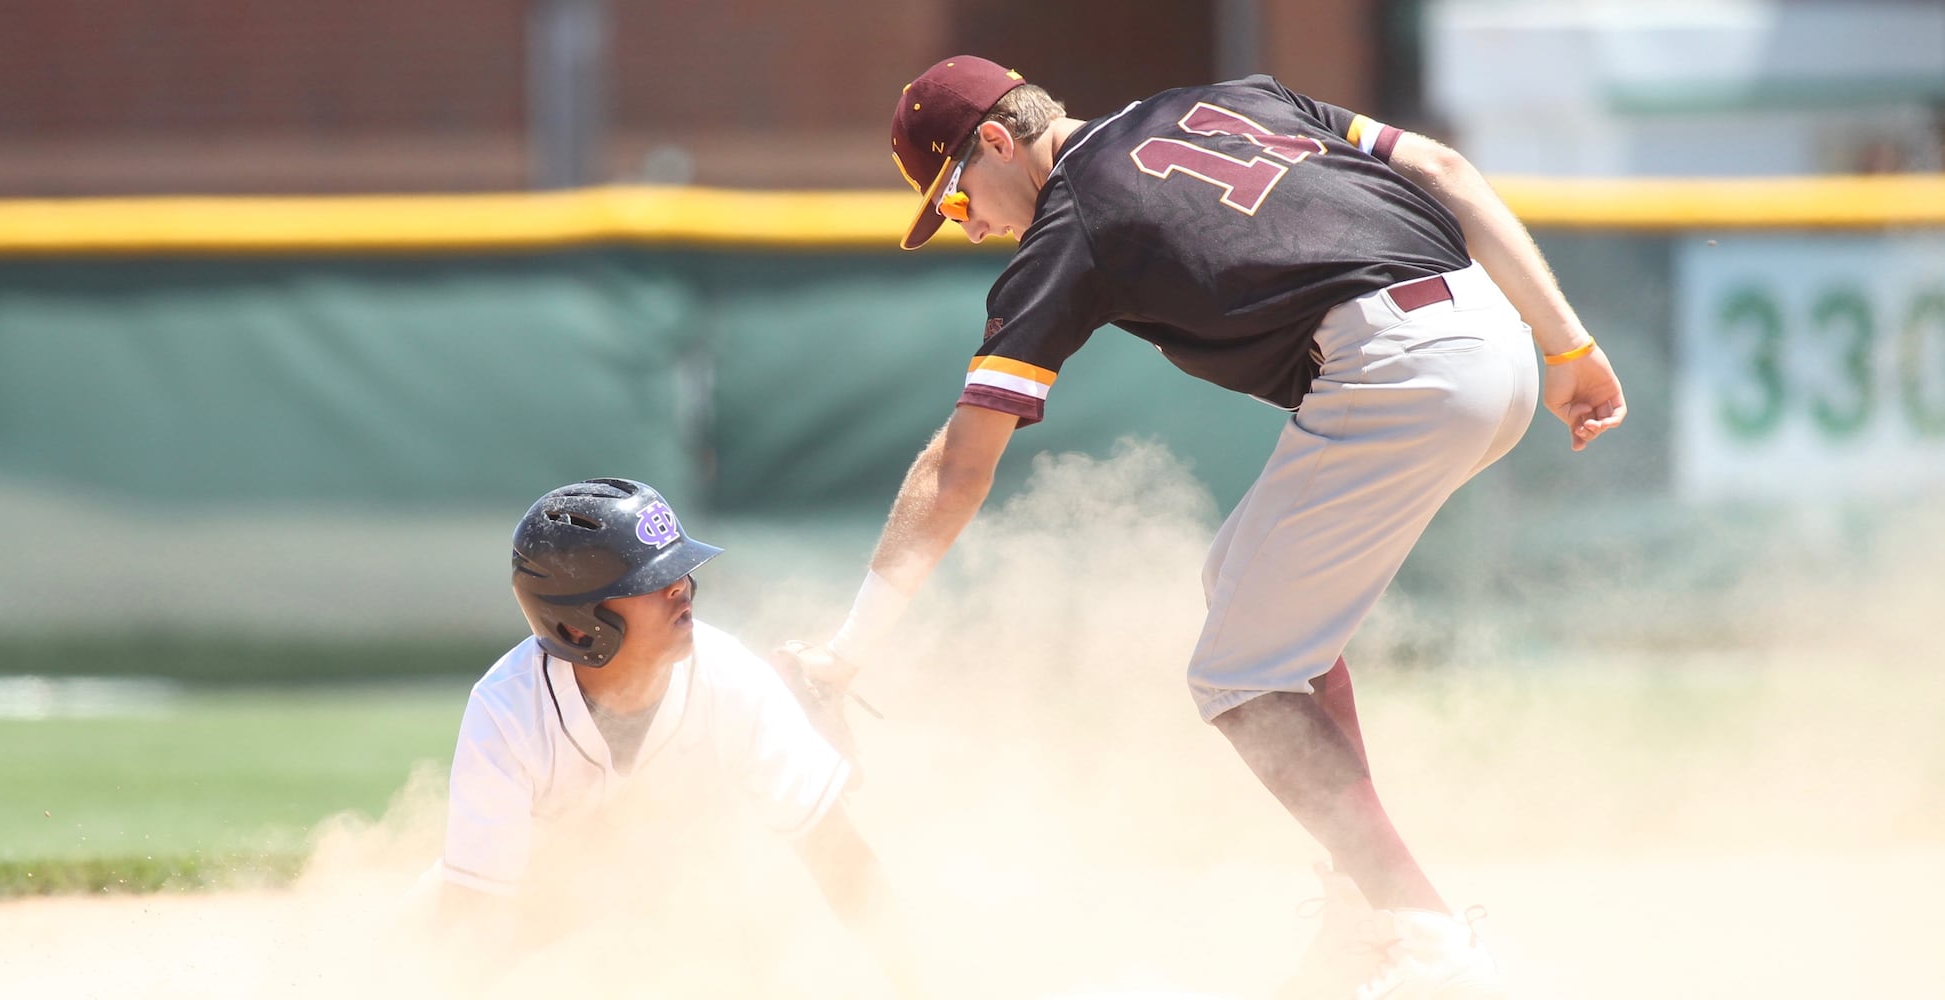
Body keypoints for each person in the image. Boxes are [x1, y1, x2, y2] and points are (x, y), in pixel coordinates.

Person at [787, 56, 1628, 999]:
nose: (971, 224)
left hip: (1398, 366)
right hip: (1492, 333)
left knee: (1237, 674)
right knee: (1240, 591)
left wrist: (843, 657)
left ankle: (1423, 937)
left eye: (954, 198)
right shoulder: (1230, 96)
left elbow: (958, 470)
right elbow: (1446, 170)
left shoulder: (1073, 222)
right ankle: (1365, 910)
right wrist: (1569, 345)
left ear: (993, 141)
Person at [426, 477, 915, 995]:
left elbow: (838, 855)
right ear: (576, 627)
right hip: (545, 905)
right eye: (650, 578)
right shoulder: (508, 711)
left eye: (680, 568)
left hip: (696, 893)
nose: (680, 585)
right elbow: (473, 917)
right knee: (415, 940)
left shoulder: (726, 674)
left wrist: (912, 981)